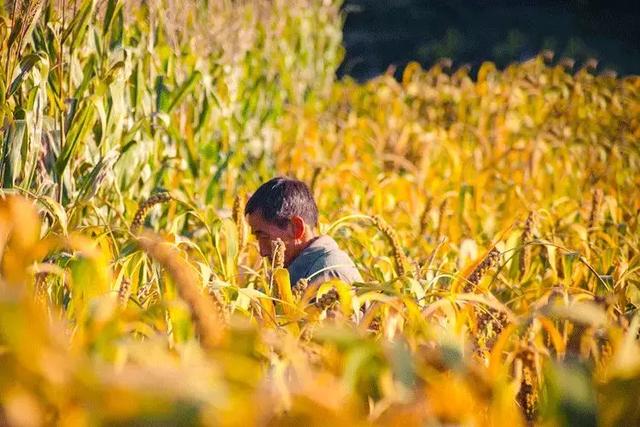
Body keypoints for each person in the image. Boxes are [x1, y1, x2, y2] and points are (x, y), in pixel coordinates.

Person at [245, 176, 362, 286]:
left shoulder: (327, 275)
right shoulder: (304, 274)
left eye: (264, 237)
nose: (262, 251)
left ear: (297, 228)